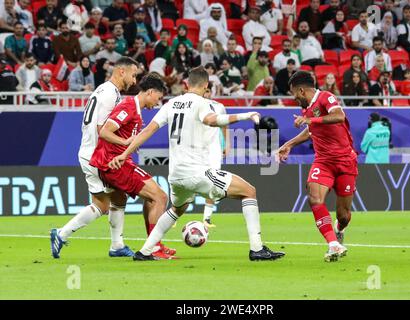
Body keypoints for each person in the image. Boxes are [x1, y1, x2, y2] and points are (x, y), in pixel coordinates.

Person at [109, 66, 285, 261]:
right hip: (197, 173)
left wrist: (125, 153)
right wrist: (245, 115)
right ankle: (257, 249)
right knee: (249, 191)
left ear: (186, 84)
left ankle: (145, 250)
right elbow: (212, 120)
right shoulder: (202, 103)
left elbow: (148, 130)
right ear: (206, 86)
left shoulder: (171, 104)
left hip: (175, 175)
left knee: (178, 208)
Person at [50, 57, 139, 259]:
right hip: (97, 156)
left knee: (116, 197)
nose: (134, 81)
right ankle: (62, 234)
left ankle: (117, 245)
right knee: (104, 204)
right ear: (121, 71)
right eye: (133, 75)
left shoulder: (102, 90)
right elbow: (103, 130)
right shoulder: (110, 94)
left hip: (88, 152)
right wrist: (126, 143)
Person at [88, 73, 177, 260]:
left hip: (116, 161)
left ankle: (152, 244)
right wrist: (125, 142)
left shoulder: (135, 109)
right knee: (160, 196)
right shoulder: (129, 106)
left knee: (147, 198)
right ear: (150, 92)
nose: (158, 103)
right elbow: (104, 131)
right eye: (158, 98)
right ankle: (153, 247)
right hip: (113, 162)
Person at [277, 70, 357, 262]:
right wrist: (289, 144)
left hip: (345, 160)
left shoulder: (326, 97)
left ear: (302, 90)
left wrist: (310, 120)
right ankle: (333, 244)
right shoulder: (307, 109)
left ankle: (339, 229)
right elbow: (311, 130)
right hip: (323, 161)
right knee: (314, 198)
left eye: (294, 94)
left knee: (344, 215)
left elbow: (338, 115)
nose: (294, 98)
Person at [202, 82, 228, 228]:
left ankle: (207, 218)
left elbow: (224, 126)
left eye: (208, 91)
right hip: (197, 149)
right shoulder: (195, 106)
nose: (206, 94)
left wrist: (225, 145)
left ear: (210, 92)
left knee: (213, 181)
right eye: (204, 91)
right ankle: (173, 216)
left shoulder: (219, 107)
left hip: (215, 149)